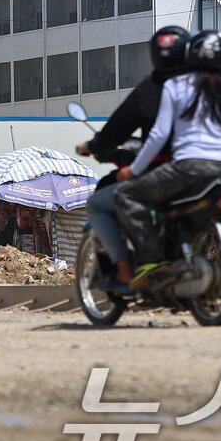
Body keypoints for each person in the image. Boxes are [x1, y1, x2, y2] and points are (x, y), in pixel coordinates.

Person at [115, 30, 221, 290]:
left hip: (188, 168)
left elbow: (159, 135)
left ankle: (152, 260)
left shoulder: (176, 87)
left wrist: (134, 170)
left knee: (125, 195)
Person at [76, 25, 190, 290]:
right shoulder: (203, 87)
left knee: (97, 203)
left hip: (163, 173)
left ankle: (127, 270)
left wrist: (94, 145)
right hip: (210, 169)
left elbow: (122, 129)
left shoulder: (153, 91)